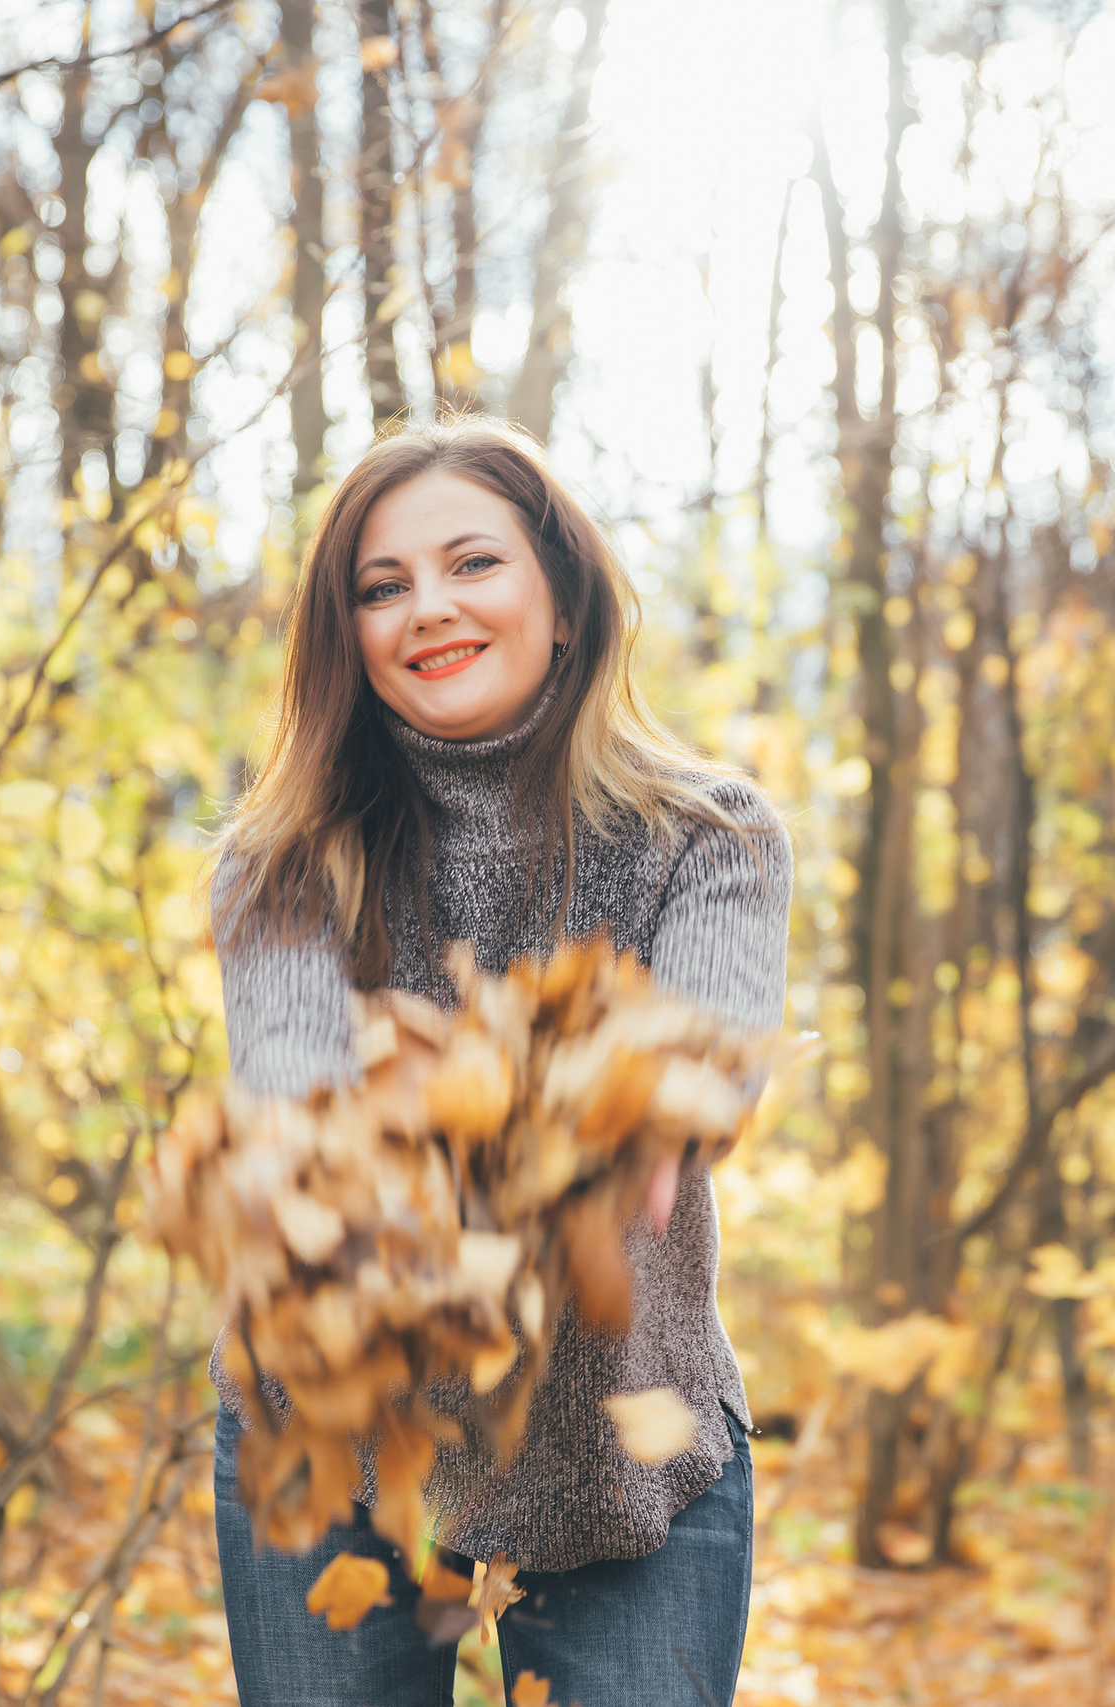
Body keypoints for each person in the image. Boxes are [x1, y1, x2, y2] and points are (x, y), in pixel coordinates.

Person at [207, 419, 792, 1706]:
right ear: (346, 635)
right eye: (382, 586)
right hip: (333, 1442)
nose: (429, 608)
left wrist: (646, 1120)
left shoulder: (709, 835)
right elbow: (295, 1081)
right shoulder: (285, 861)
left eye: (472, 563)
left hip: (629, 1458)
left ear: (563, 601)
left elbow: (709, 1045)